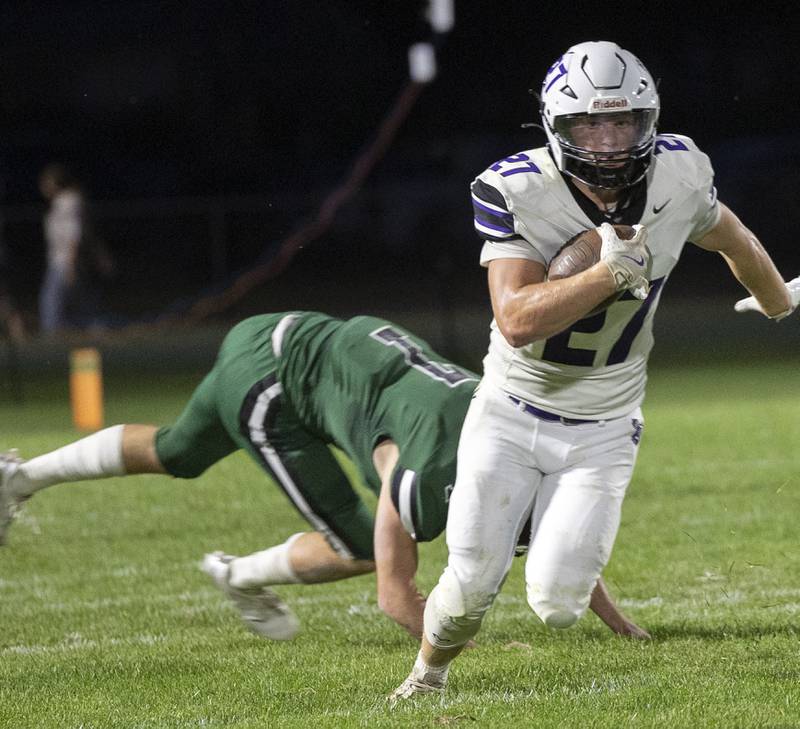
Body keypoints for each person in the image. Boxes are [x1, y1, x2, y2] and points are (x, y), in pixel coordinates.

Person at [391, 40, 799, 700]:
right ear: (557, 126)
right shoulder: (520, 188)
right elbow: (518, 319)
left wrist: (779, 300)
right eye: (590, 125)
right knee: (470, 583)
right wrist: (612, 273)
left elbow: (732, 235)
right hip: (511, 409)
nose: (609, 142)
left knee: (557, 602)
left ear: (649, 121)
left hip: (606, 423)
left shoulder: (679, 175)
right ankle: (427, 675)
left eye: (623, 122)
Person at [0, 311, 646, 641]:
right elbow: (396, 594)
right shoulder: (427, 474)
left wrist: (612, 618)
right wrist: (454, 652)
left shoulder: (512, 431)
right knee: (362, 546)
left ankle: (20, 476)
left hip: (283, 333)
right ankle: (239, 575)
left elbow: (559, 527)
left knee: (178, 452)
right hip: (276, 386)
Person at [38, 164, 113, 334]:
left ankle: (56, 339)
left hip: (65, 261)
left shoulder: (69, 202)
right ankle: (95, 328)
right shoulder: (61, 203)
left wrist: (70, 265)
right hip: (63, 261)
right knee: (79, 305)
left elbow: (74, 235)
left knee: (51, 304)